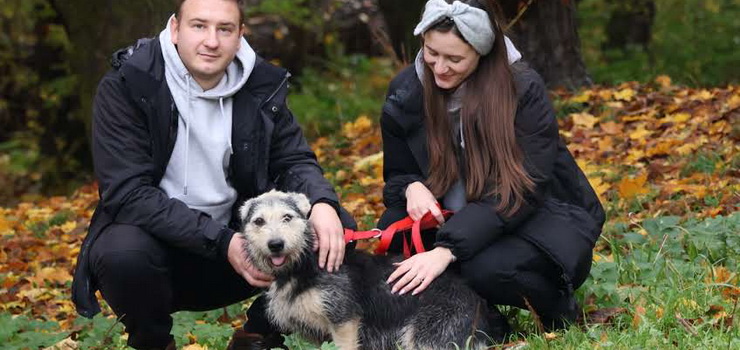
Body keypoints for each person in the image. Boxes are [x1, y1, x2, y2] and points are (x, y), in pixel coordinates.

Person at [70, 0, 355, 349]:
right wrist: (221, 241)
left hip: (246, 246)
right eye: (199, 26)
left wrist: (322, 203)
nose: (211, 41)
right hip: (159, 254)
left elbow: (293, 161)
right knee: (121, 253)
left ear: (240, 36)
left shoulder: (260, 85)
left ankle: (259, 334)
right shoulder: (129, 85)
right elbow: (127, 193)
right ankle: (153, 343)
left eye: (224, 29)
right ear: (175, 29)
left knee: (335, 227)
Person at [380, 0, 606, 331]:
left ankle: (556, 306)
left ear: (482, 54)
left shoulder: (522, 89)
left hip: (530, 219)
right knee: (394, 237)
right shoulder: (405, 91)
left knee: (480, 268)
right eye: (432, 53)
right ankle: (483, 323)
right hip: (453, 216)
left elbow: (525, 188)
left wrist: (447, 249)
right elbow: (398, 174)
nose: (439, 67)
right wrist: (413, 186)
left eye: (454, 59)